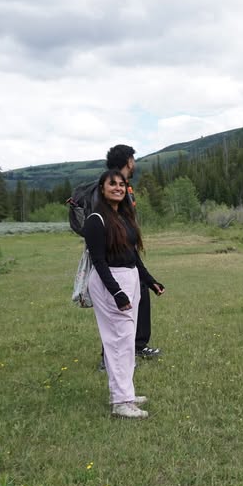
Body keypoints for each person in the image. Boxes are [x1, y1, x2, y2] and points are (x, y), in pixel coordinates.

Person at [84, 168, 166, 418]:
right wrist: (117, 292)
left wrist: (149, 280)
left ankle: (124, 392)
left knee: (127, 340)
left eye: (122, 184)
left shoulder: (124, 218)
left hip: (128, 277)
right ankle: (121, 402)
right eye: (112, 184)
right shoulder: (96, 220)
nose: (118, 188)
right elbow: (98, 261)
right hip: (110, 281)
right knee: (119, 340)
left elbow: (132, 255)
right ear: (102, 188)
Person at [105, 144, 162, 360]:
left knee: (142, 295)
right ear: (129, 161)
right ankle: (107, 357)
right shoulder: (112, 185)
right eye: (133, 160)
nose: (134, 164)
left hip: (130, 252)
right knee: (115, 308)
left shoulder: (124, 185)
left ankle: (138, 345)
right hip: (115, 257)